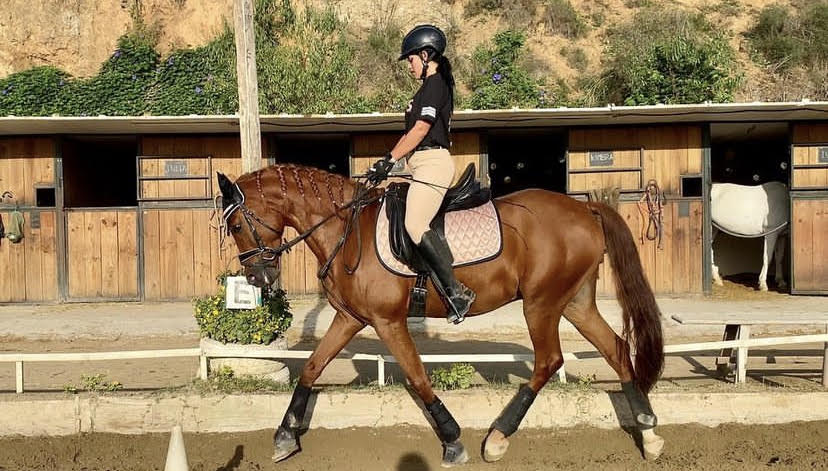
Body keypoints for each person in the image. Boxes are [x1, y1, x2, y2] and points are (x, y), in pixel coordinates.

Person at [366, 24, 475, 324]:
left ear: (426, 55)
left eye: (412, 59)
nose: (409, 65)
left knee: (415, 224)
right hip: (421, 164)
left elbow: (420, 130)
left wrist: (389, 160)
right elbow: (412, 136)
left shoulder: (435, 84)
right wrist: (385, 164)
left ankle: (456, 293)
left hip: (433, 164)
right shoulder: (426, 88)